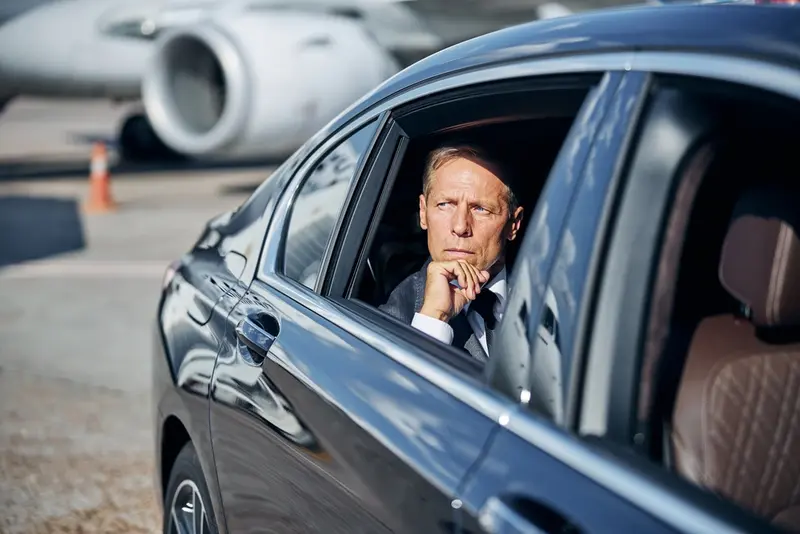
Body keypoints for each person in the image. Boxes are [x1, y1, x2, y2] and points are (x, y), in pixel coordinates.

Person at [379, 144, 524, 363]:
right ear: (423, 212)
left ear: (513, 224)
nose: (460, 226)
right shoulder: (394, 316)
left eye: (481, 209)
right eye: (445, 204)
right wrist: (435, 317)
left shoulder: (550, 293)